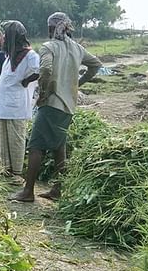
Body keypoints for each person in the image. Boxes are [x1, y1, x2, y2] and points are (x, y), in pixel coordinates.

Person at [10, 12, 102, 202]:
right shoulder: (78, 49)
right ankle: (58, 189)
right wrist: (77, 83)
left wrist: (44, 91)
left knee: (35, 146)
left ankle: (28, 192)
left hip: (52, 104)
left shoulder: (48, 47)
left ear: (51, 28)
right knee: (59, 148)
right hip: (68, 106)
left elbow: (45, 69)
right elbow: (96, 65)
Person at [0, 21, 40, 176]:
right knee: (3, 137)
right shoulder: (9, 56)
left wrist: (26, 81)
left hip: (16, 103)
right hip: (3, 103)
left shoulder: (30, 54)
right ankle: (6, 169)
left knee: (16, 138)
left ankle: (17, 172)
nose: (4, 37)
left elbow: (39, 71)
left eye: (6, 34)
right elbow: (3, 79)